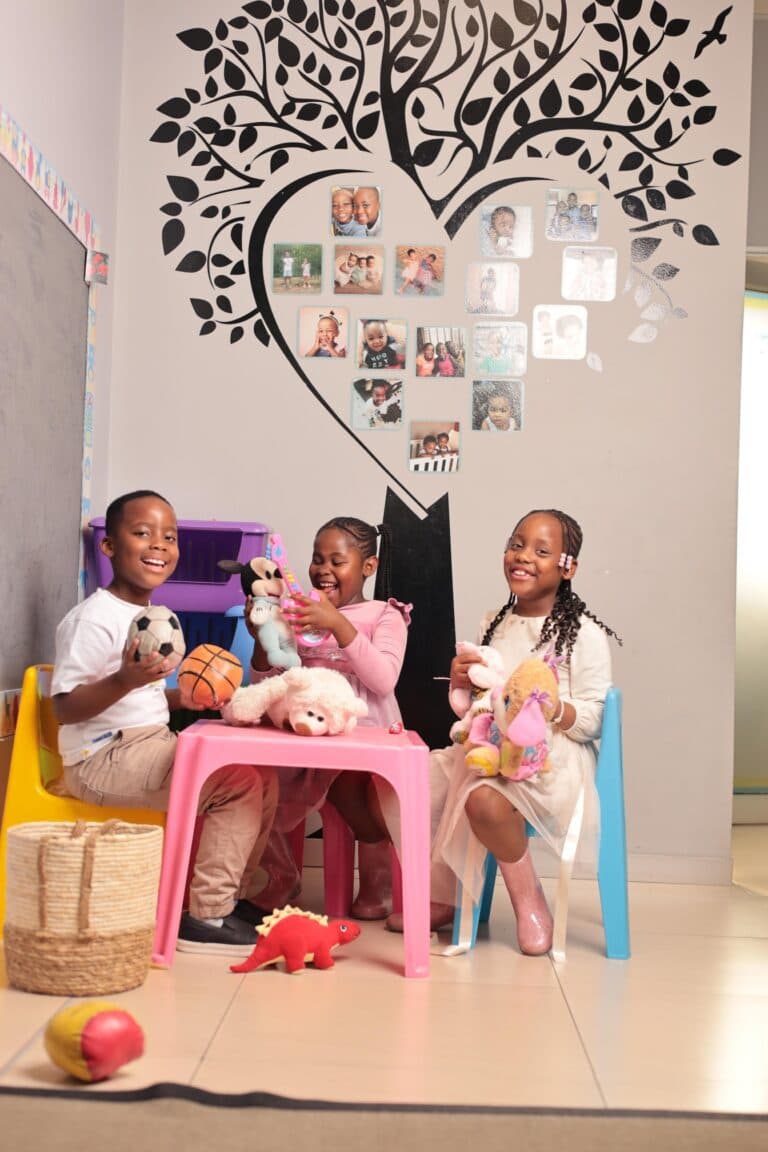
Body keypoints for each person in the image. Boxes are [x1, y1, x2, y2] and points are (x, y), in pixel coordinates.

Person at [51, 490, 278, 956]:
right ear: (109, 547)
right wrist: (125, 677)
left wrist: (183, 696)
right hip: (103, 757)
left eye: (168, 537)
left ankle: (231, 896)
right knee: (234, 781)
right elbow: (65, 707)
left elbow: (143, 696)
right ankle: (206, 914)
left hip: (146, 742)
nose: (158, 545)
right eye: (142, 534)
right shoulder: (93, 619)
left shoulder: (155, 617)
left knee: (262, 773)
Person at [385, 509, 622, 948]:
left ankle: (528, 898)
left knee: (485, 802)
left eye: (541, 550)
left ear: (567, 566)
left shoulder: (584, 634)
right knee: (403, 783)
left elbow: (592, 719)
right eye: (517, 544)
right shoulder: (495, 622)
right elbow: (480, 706)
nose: (523, 556)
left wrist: (549, 707)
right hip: (490, 746)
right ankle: (446, 893)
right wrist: (464, 684)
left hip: (551, 757)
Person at [247, 517, 410, 920]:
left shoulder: (384, 616)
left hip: (364, 736)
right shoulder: (301, 613)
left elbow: (384, 679)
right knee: (255, 782)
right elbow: (273, 681)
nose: (323, 569)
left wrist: (338, 625)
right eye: (318, 559)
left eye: (337, 561)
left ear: (367, 567)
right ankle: (280, 876)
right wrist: (264, 643)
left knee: (348, 784)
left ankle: (379, 882)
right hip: (305, 736)